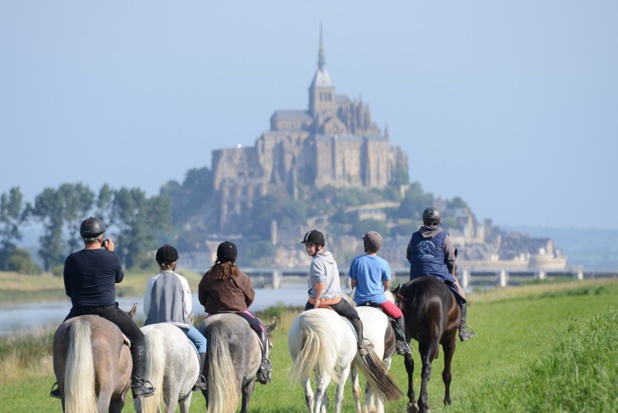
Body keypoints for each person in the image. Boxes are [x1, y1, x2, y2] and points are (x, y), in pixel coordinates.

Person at [50, 217, 155, 399]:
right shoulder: (111, 257)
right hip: (108, 311)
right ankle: (138, 384)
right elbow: (119, 277)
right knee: (138, 338)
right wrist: (110, 253)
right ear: (101, 238)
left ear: (83, 238)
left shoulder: (71, 260)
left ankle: (62, 385)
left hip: (78, 311)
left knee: (58, 339)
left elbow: (69, 290)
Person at [197, 241, 272, 384]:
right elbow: (250, 297)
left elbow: (202, 298)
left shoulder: (207, 276)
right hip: (239, 312)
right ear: (234, 258)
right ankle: (264, 364)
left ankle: (198, 371)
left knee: (197, 338)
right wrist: (242, 306)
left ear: (218, 257)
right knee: (261, 330)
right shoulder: (241, 276)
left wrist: (213, 306)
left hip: (214, 314)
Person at [143, 244, 207, 391]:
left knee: (136, 345)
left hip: (154, 325)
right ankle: (198, 379)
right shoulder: (182, 280)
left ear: (158, 262)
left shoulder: (152, 281)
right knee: (202, 342)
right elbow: (187, 308)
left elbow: (147, 309)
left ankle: (137, 380)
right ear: (174, 263)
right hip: (179, 325)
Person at [407, 207, 475, 341]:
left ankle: (402, 336)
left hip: (416, 278)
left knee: (400, 299)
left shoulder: (414, 236)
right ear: (438, 221)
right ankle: (462, 330)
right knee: (462, 296)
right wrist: (452, 273)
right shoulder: (445, 237)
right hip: (439, 276)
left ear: (424, 220)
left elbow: (409, 256)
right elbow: (451, 259)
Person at [300, 229, 369, 354]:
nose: (307, 248)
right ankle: (361, 343)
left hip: (319, 301)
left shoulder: (316, 262)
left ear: (319, 246)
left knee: (302, 324)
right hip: (336, 301)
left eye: (310, 245)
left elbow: (320, 284)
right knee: (355, 316)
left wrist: (316, 303)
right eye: (306, 245)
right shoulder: (330, 257)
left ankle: (303, 348)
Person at [348, 231, 411, 355]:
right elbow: (387, 285)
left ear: (365, 245)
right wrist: (379, 292)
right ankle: (401, 344)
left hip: (359, 301)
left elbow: (353, 283)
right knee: (399, 315)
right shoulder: (383, 263)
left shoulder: (356, 261)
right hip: (379, 300)